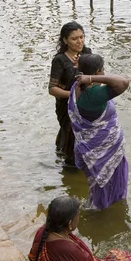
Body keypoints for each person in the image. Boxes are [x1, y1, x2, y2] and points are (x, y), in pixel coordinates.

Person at [67, 54, 129, 210]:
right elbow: (123, 82)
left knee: (97, 185)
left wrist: (89, 77)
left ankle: (98, 212)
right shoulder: (93, 95)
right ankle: (103, 214)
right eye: (102, 70)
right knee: (107, 187)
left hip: (90, 149)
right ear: (96, 73)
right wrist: (93, 79)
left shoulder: (77, 86)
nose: (104, 74)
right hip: (105, 151)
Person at [49, 21, 92, 166]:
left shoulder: (87, 53)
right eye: (74, 38)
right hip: (66, 105)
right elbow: (52, 89)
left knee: (85, 135)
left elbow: (95, 75)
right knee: (70, 133)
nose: (79, 41)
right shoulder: (60, 60)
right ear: (65, 40)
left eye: (82, 37)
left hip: (85, 103)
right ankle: (69, 165)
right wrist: (73, 95)